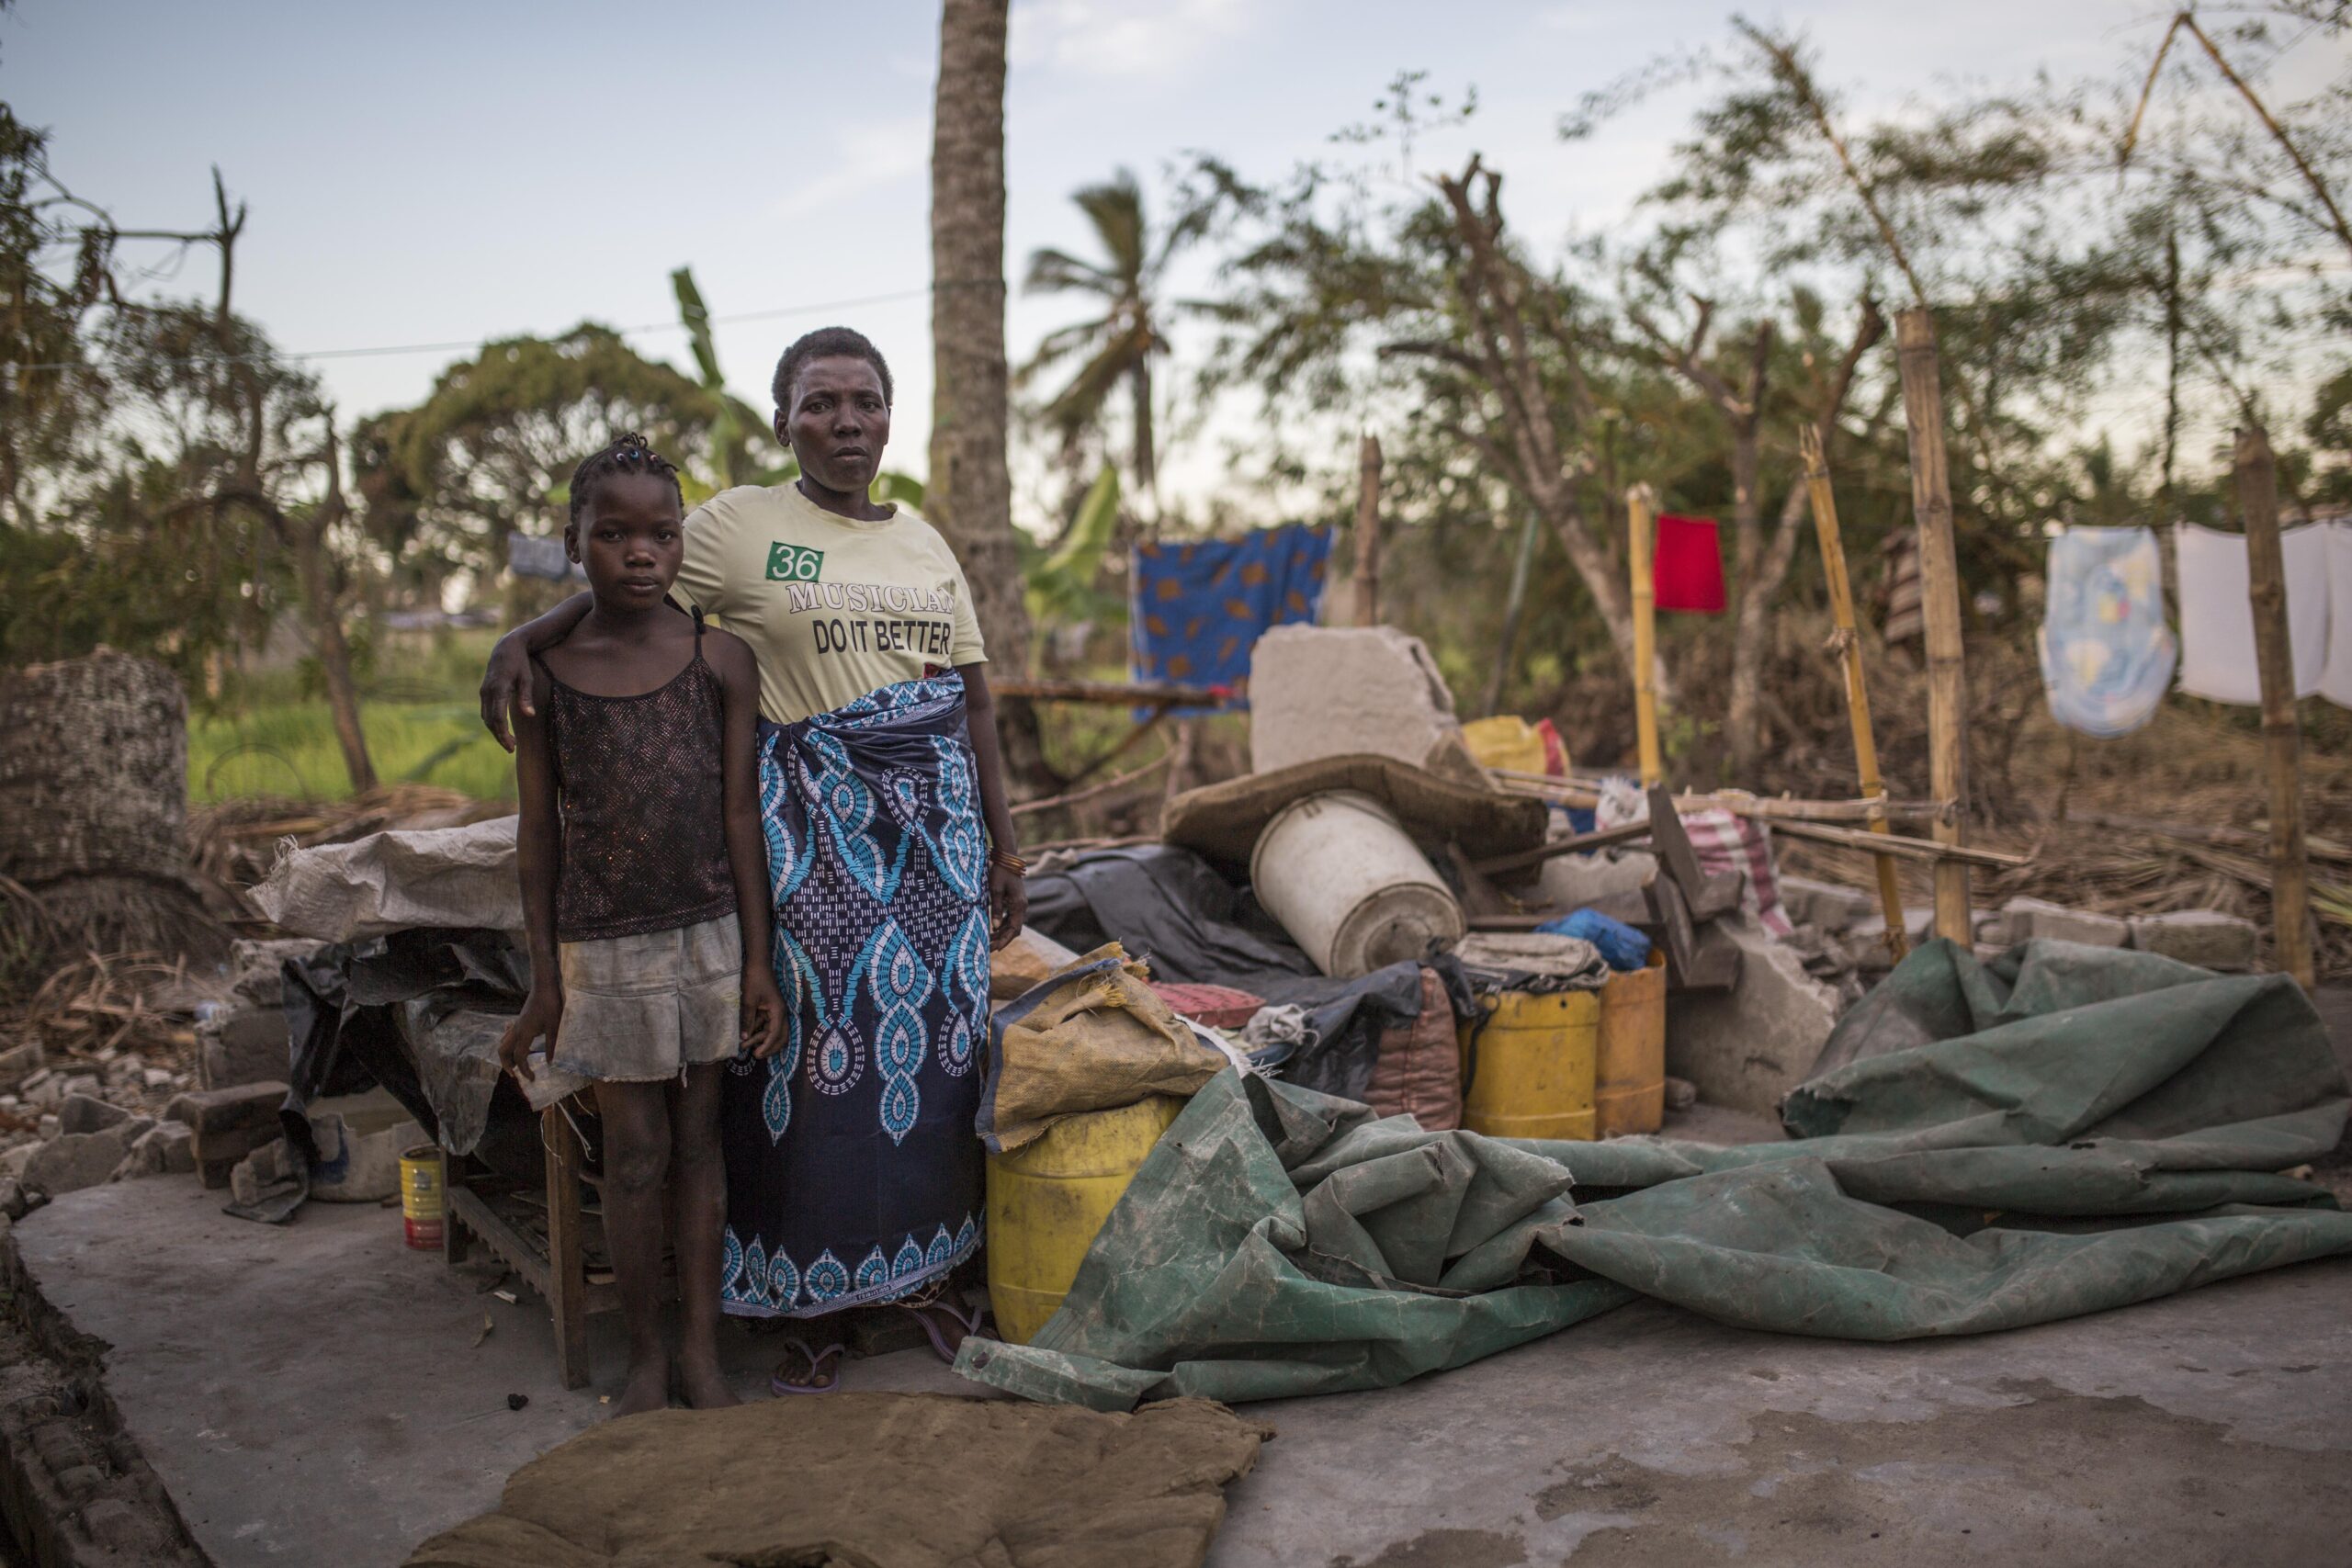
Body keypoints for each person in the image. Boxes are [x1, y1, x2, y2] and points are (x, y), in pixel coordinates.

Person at [481, 330, 1026, 1394]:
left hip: (934, 844)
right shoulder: (739, 525)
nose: (846, 422)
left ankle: (919, 1280)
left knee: (935, 1054)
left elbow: (973, 701)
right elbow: (627, 591)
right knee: (810, 1064)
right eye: (820, 403)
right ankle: (803, 1295)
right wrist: (523, 638)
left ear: (888, 414)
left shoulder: (926, 545)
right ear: (783, 420)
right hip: (809, 838)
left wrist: (1006, 849)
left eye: (865, 402)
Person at [496, 434, 786, 1416]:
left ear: (680, 544)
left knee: (702, 1142)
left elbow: (742, 817)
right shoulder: (546, 677)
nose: (639, 553)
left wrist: (760, 963)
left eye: (660, 533)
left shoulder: (720, 659)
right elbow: (539, 834)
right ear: (572, 542)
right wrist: (545, 980)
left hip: (710, 932)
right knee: (634, 1154)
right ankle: (647, 1356)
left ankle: (702, 1350)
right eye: (612, 533)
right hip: (603, 944)